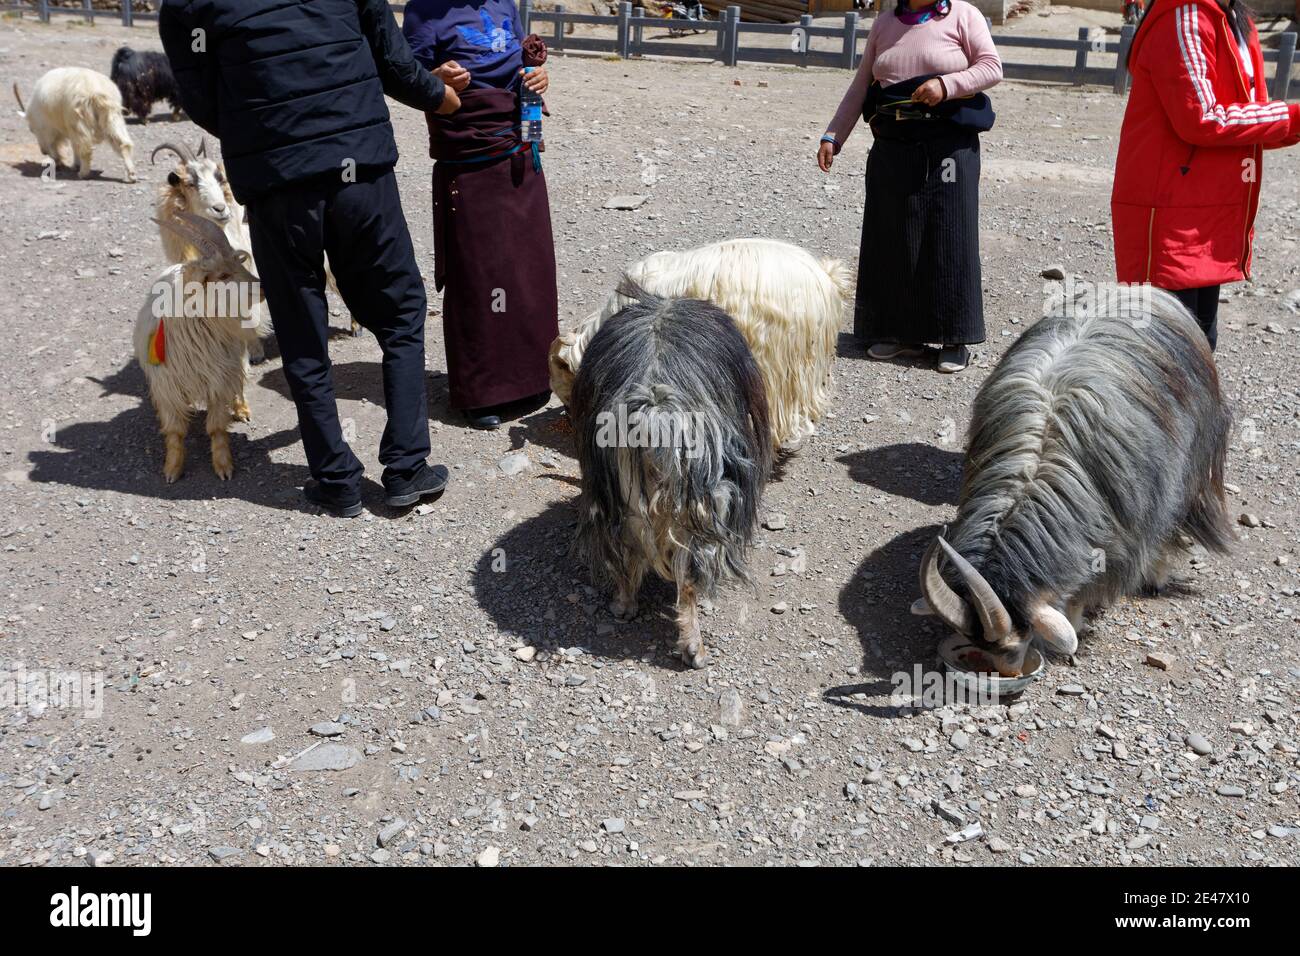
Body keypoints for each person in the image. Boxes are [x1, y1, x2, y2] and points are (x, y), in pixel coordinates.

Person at [159, 0, 460, 518]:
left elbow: (205, 102)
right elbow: (392, 61)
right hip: (358, 171)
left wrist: (268, 119)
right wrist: (444, 98)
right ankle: (407, 469)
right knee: (401, 315)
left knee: (302, 331)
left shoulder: (187, 7)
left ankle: (336, 479)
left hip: (277, 184)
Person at [818, 0, 1002, 374]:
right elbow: (861, 85)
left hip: (948, 145)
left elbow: (991, 67)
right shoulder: (885, 23)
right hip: (893, 145)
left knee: (950, 234)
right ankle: (898, 332)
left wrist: (946, 85)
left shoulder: (962, 15)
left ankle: (954, 338)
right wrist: (833, 136)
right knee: (895, 234)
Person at [402, 0, 559, 430]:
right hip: (470, 153)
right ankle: (484, 390)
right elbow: (405, 79)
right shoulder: (424, 11)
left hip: (519, 145)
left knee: (528, 266)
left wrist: (539, 76)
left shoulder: (503, 2)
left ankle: (531, 375)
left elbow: (520, 67)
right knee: (481, 271)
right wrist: (435, 81)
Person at [1112, 0, 1300, 350]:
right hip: (1171, 213)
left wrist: (1290, 124)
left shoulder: (1234, 19)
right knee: (1166, 352)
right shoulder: (1185, 16)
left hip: (1208, 212)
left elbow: (1247, 117)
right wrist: (1292, 117)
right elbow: (1203, 117)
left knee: (1199, 345)